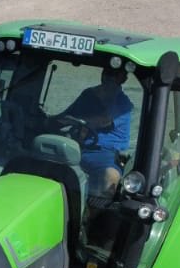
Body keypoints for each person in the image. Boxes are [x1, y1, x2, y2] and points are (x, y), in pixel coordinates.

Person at [56, 66, 134, 195]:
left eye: (114, 75)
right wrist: (48, 122)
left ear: (123, 79)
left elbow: (104, 121)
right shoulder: (88, 95)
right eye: (107, 72)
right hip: (75, 146)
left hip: (104, 152)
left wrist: (75, 121)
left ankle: (95, 210)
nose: (109, 77)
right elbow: (66, 116)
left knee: (110, 175)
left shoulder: (122, 103)